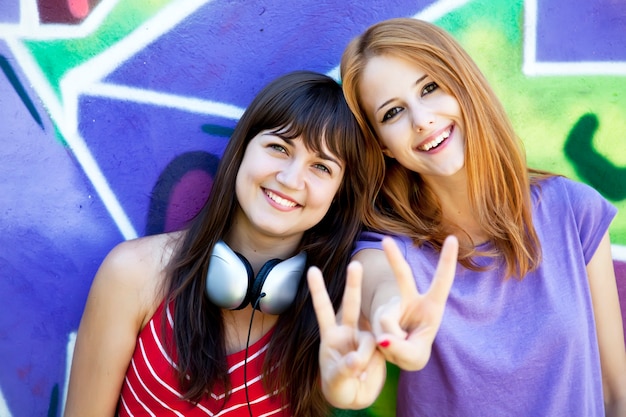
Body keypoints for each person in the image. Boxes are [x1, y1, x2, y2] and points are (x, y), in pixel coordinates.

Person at [340, 18, 626, 416]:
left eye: (430, 88)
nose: (421, 119)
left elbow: (617, 394)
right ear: (382, 146)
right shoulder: (389, 250)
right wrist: (390, 316)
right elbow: (379, 288)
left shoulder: (573, 210)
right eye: (392, 113)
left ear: (463, 87)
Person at [63, 70, 392, 417]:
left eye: (321, 167)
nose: (291, 178)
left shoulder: (332, 316)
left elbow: (361, 376)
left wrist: (353, 386)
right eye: (279, 147)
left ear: (338, 195)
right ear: (242, 151)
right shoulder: (135, 274)